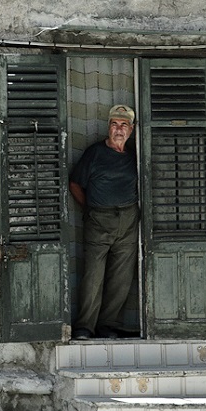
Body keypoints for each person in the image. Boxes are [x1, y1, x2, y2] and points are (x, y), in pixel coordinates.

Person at [69, 104, 139, 340]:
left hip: (128, 220)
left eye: (124, 125)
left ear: (131, 129)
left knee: (121, 276)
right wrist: (89, 208)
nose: (118, 129)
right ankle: (84, 327)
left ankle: (108, 325)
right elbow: (75, 183)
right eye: (114, 124)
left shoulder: (135, 156)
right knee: (93, 275)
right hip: (99, 219)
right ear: (108, 127)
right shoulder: (95, 153)